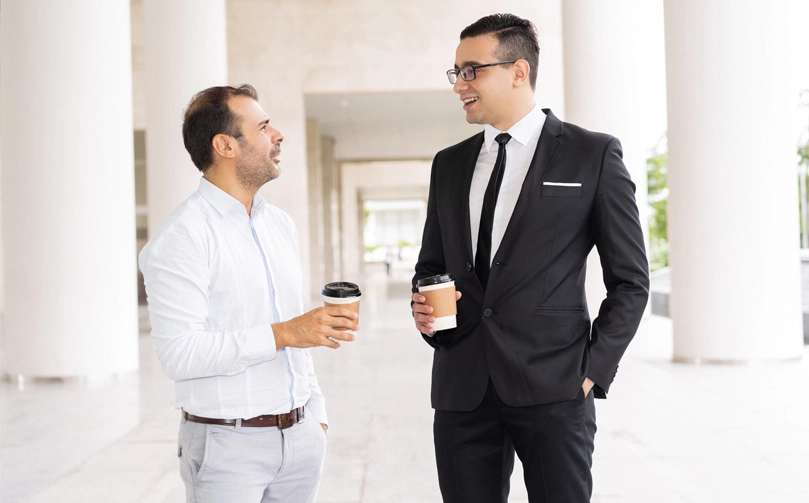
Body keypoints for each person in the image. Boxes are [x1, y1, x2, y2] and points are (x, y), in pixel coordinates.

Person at [411, 14, 649, 503]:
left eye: (472, 70)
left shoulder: (592, 154)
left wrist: (591, 371)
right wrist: (424, 306)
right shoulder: (449, 164)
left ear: (519, 71)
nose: (460, 85)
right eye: (456, 72)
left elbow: (630, 281)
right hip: (462, 389)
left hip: (556, 388)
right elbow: (430, 263)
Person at [139, 84, 358, 503]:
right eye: (262, 126)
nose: (277, 134)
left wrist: (316, 414)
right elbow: (180, 354)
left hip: (300, 441)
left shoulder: (279, 224)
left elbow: (295, 331)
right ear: (225, 145)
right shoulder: (182, 237)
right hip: (228, 449)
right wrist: (284, 333)